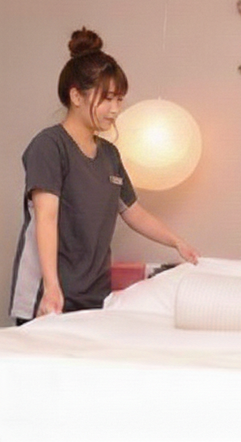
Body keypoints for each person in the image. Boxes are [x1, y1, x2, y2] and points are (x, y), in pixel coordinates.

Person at [9, 28, 199, 325]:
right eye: (107, 99)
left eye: (119, 100)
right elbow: (46, 217)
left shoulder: (109, 154)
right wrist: (52, 287)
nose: (115, 110)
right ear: (76, 96)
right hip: (48, 296)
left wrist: (177, 242)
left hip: (94, 295)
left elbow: (133, 212)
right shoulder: (49, 146)